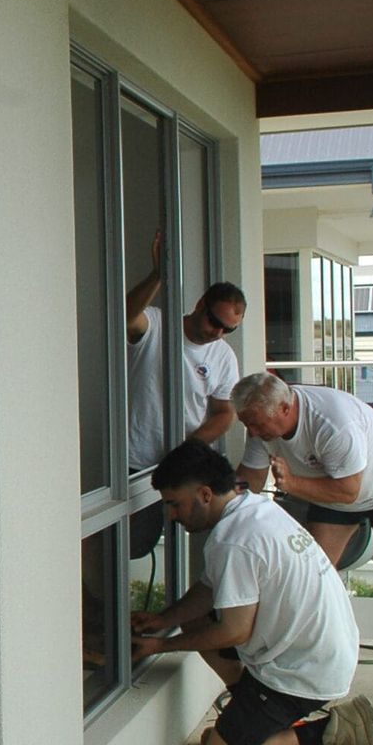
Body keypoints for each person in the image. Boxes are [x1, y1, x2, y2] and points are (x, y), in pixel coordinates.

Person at [132, 443, 373, 745]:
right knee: (195, 624)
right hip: (320, 649)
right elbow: (209, 589)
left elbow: (234, 632)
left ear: (205, 494)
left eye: (174, 504)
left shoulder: (233, 541)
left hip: (303, 672)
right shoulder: (252, 508)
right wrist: (163, 620)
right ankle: (248, 709)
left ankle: (335, 729)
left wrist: (161, 645)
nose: (171, 516)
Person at [230, 371, 373, 711]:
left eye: (255, 423)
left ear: (284, 408)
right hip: (329, 488)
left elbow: (349, 490)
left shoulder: (333, 422)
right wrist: (223, 505)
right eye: (246, 424)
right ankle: (307, 661)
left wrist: (292, 484)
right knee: (311, 575)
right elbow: (249, 478)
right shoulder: (261, 424)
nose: (251, 432)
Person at [123, 230, 244, 558]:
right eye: (215, 321)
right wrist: (157, 276)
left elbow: (224, 412)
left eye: (228, 329)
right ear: (201, 304)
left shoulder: (223, 356)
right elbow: (125, 316)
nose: (218, 332)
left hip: (181, 466)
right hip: (135, 459)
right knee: (131, 545)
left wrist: (189, 447)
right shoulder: (157, 325)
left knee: (185, 532)